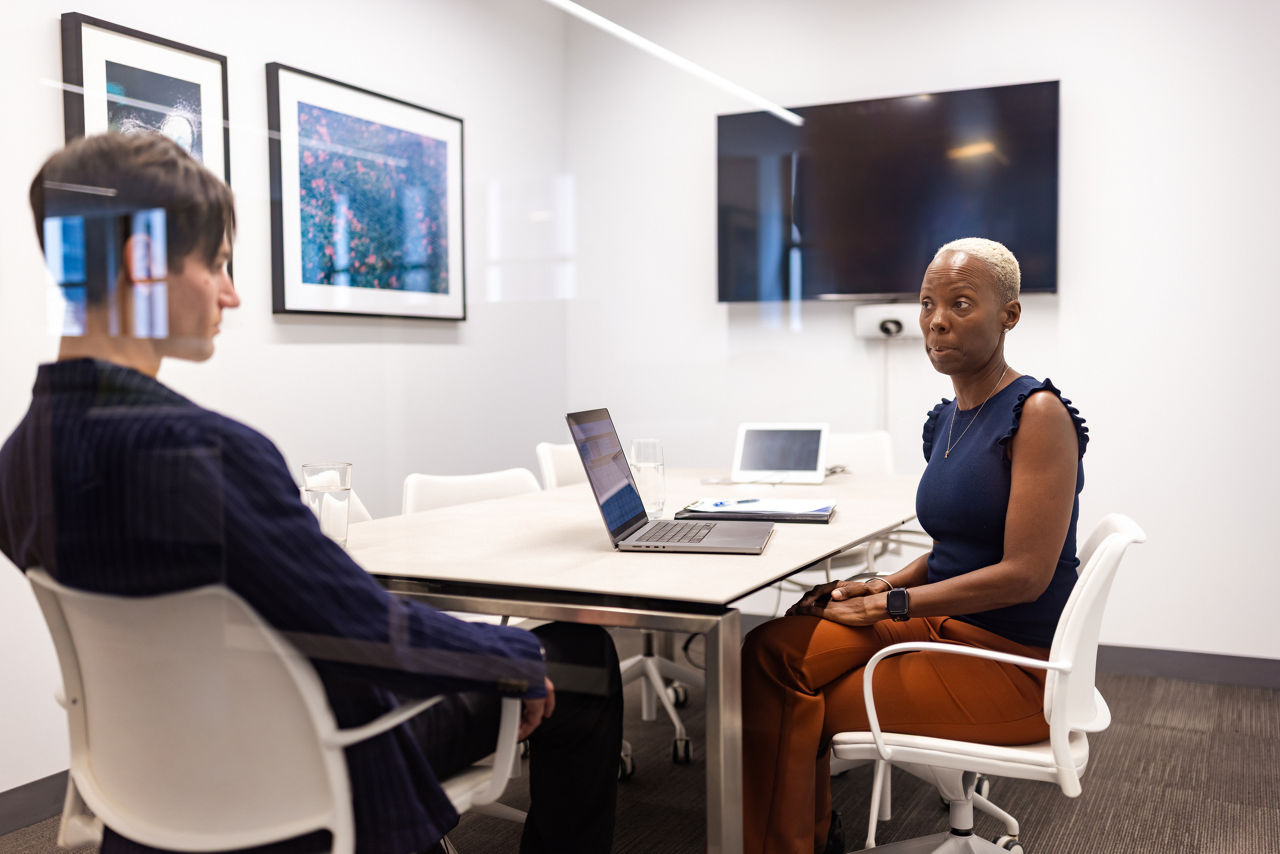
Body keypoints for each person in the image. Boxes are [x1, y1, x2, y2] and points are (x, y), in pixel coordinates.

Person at [0, 132, 622, 854]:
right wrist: (515, 660)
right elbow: (362, 635)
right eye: (219, 264)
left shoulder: (18, 462)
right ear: (143, 263)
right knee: (578, 654)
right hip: (306, 772)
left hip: (154, 786)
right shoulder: (208, 452)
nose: (231, 293)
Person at [741, 237, 1088, 854]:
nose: (937, 320)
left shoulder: (1038, 415)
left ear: (1009, 314)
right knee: (770, 650)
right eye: (928, 303)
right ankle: (809, 836)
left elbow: (1024, 576)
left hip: (1012, 666)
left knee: (803, 700)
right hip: (940, 625)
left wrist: (888, 608)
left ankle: (797, 841)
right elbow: (955, 548)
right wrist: (884, 584)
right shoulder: (949, 416)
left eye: (960, 303)